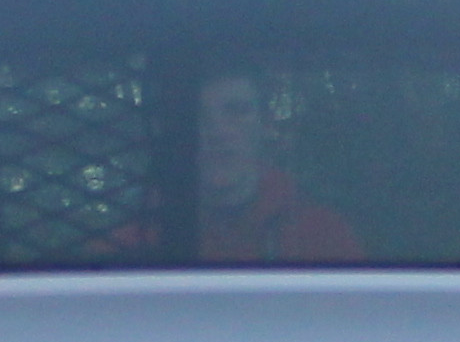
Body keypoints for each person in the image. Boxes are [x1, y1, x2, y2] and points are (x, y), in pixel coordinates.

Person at [108, 71, 361, 265]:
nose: (218, 132)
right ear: (171, 134)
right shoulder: (126, 245)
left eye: (237, 112)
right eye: (194, 116)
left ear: (266, 126)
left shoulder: (320, 234)